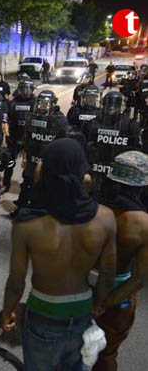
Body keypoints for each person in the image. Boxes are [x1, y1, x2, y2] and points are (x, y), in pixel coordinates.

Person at [2, 138, 117, 371]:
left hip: (43, 315)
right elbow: (107, 272)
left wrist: (7, 312)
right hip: (82, 313)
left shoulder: (27, 223)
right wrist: (99, 302)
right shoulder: (105, 218)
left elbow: (16, 281)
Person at [92, 151, 148, 371]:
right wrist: (104, 303)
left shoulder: (91, 209)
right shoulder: (143, 224)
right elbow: (139, 279)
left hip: (82, 288)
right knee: (106, 353)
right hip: (118, 295)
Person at [13, 90, 68, 213]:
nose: (42, 106)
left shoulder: (60, 119)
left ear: (53, 104)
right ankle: (22, 207)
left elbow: (62, 141)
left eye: (45, 103)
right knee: (27, 182)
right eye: (40, 103)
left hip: (48, 159)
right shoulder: (33, 116)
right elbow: (28, 136)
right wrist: (25, 156)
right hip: (33, 156)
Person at [86, 91, 142, 206]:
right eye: (109, 105)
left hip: (118, 176)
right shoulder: (93, 123)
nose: (111, 109)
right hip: (96, 171)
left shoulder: (130, 126)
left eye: (115, 106)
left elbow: (136, 152)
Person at [3, 78, 36, 194]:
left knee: (31, 165)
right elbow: (6, 120)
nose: (26, 92)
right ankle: (5, 185)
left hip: (31, 137)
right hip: (15, 136)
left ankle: (29, 188)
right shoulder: (14, 103)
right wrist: (7, 136)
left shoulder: (35, 103)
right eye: (23, 89)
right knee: (9, 162)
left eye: (28, 89)